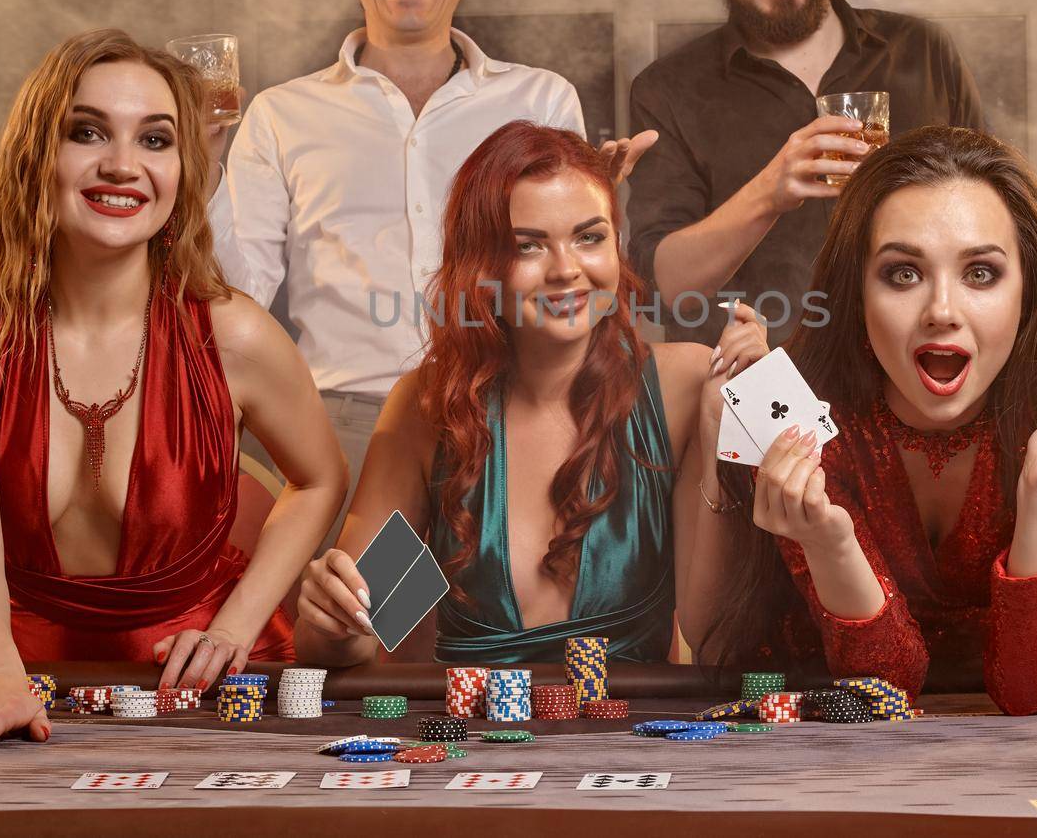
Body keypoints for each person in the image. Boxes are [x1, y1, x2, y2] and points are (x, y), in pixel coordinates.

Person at [0, 30, 346, 751]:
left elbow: (322, 477)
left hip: (206, 699)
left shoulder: (234, 332)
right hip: (20, 684)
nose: (122, 165)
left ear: (182, 168)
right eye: (87, 131)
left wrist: (235, 626)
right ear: (35, 153)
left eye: (155, 139)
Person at [697, 127, 1037, 716]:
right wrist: (830, 541)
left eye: (980, 274)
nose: (941, 311)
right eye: (903, 274)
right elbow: (883, 690)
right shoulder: (801, 412)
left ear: (1028, 291)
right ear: (856, 292)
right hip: (819, 751)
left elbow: (1032, 690)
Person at [206, 0, 648, 522]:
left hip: (505, 419)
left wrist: (597, 213)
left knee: (491, 624)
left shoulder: (540, 97)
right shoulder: (279, 113)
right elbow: (240, 295)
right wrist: (204, 168)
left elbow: (568, 281)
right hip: (343, 433)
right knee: (367, 623)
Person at [293, 123, 764, 665]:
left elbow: (715, 638)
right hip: (472, 744)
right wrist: (330, 620)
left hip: (630, 739)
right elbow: (361, 636)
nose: (566, 271)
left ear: (617, 243)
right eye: (528, 246)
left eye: (589, 237)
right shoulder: (432, 405)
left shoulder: (684, 386)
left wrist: (720, 436)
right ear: (480, 267)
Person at [626, 0, 986, 349]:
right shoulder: (666, 91)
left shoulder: (921, 51)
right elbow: (664, 293)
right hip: (757, 400)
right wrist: (769, 193)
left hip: (922, 377)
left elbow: (996, 218)